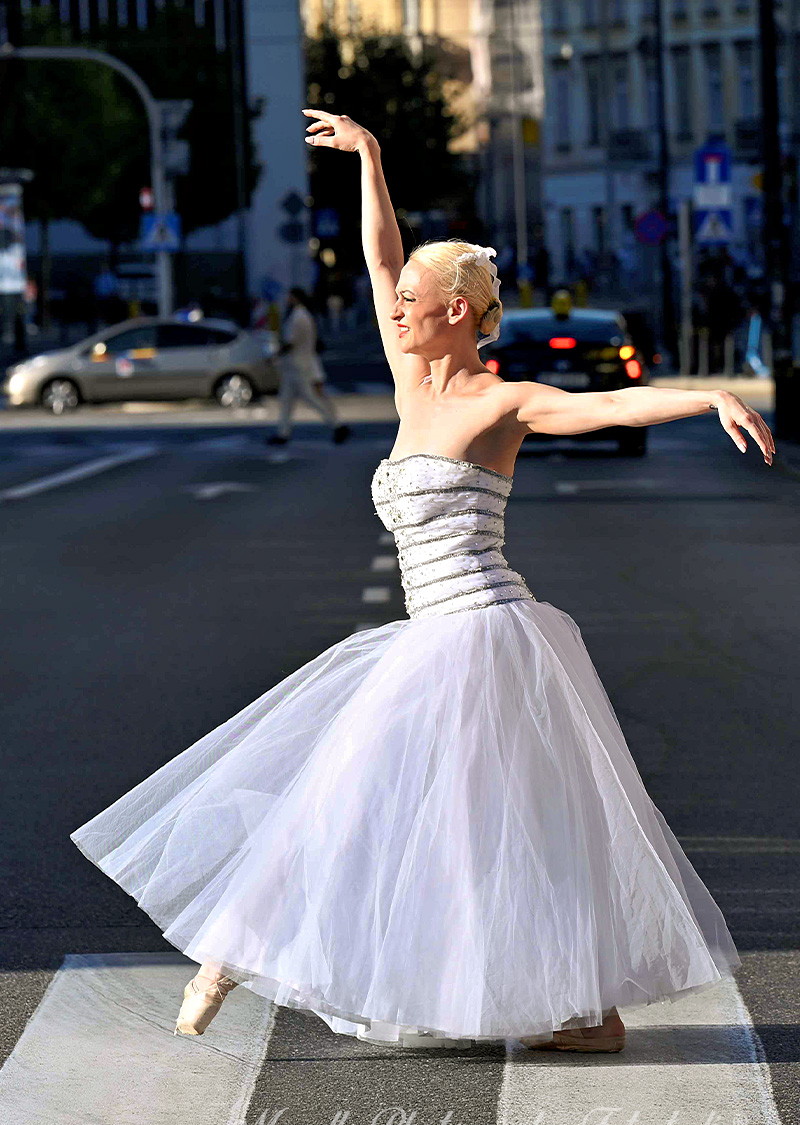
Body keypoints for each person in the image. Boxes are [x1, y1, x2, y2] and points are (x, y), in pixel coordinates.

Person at [70, 111, 774, 1054]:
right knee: (375, 803)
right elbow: (378, 253)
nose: (394, 305)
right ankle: (573, 1009)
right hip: (427, 638)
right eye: (397, 296)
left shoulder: (500, 401)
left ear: (456, 310)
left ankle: (571, 1004)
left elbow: (606, 403)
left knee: (447, 812)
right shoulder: (411, 382)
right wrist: (369, 158)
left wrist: (709, 395)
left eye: (413, 298)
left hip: (484, 632)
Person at [266, 285, 350, 446]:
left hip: (298, 365)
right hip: (296, 365)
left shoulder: (298, 317)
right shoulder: (302, 315)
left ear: (295, 298)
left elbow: (290, 342)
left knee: (311, 399)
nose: (287, 300)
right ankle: (283, 433)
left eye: (289, 296)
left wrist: (274, 356)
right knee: (286, 401)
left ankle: (337, 426)